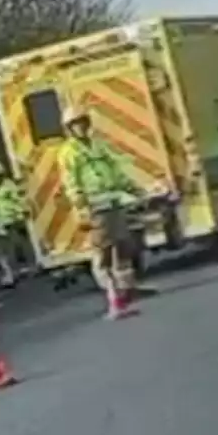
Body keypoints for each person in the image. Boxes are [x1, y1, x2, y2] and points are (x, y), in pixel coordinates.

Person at [57, 106, 155, 306]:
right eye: (76, 124)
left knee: (122, 246)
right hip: (95, 207)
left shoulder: (98, 145)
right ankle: (112, 292)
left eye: (84, 122)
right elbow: (71, 182)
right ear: (69, 128)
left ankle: (128, 288)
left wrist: (135, 189)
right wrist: (81, 207)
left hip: (113, 204)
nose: (81, 127)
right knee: (103, 251)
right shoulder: (68, 152)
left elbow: (116, 173)